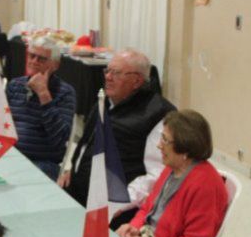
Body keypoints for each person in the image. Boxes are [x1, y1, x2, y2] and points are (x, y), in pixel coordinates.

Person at [60, 48, 175, 224]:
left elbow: (158, 173)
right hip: (80, 191)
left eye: (116, 73)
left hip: (116, 207)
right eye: (107, 70)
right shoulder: (105, 100)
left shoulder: (157, 114)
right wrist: (72, 169)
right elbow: (86, 142)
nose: (107, 77)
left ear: (136, 81)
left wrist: (118, 203)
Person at [115, 110, 227, 237]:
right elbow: (146, 209)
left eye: (165, 140)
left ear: (185, 148)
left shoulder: (205, 186)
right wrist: (133, 228)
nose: (159, 145)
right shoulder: (171, 167)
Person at [5, 36, 76, 179]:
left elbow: (59, 139)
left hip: (43, 162)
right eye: (31, 56)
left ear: (55, 65)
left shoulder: (65, 93)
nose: (34, 61)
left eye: (41, 59)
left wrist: (44, 94)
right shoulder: (15, 85)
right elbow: (0, 123)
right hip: (10, 156)